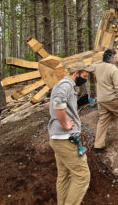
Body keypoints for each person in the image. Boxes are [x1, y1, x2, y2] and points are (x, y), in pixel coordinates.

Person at [48, 61, 91, 205]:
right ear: (76, 73)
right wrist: (64, 123)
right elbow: (58, 102)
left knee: (64, 176)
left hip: (60, 139)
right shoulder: (65, 85)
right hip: (65, 139)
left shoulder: (68, 86)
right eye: (84, 75)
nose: (85, 78)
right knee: (82, 176)